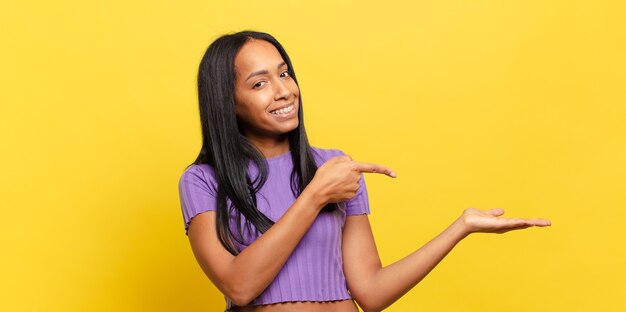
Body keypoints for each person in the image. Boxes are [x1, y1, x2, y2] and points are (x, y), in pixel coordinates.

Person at [178, 30, 551, 312]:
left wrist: (460, 227)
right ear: (227, 100)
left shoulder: (334, 167)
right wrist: (315, 195)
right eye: (260, 83)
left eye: (285, 74)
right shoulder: (203, 181)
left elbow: (370, 292)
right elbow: (240, 287)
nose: (284, 91)